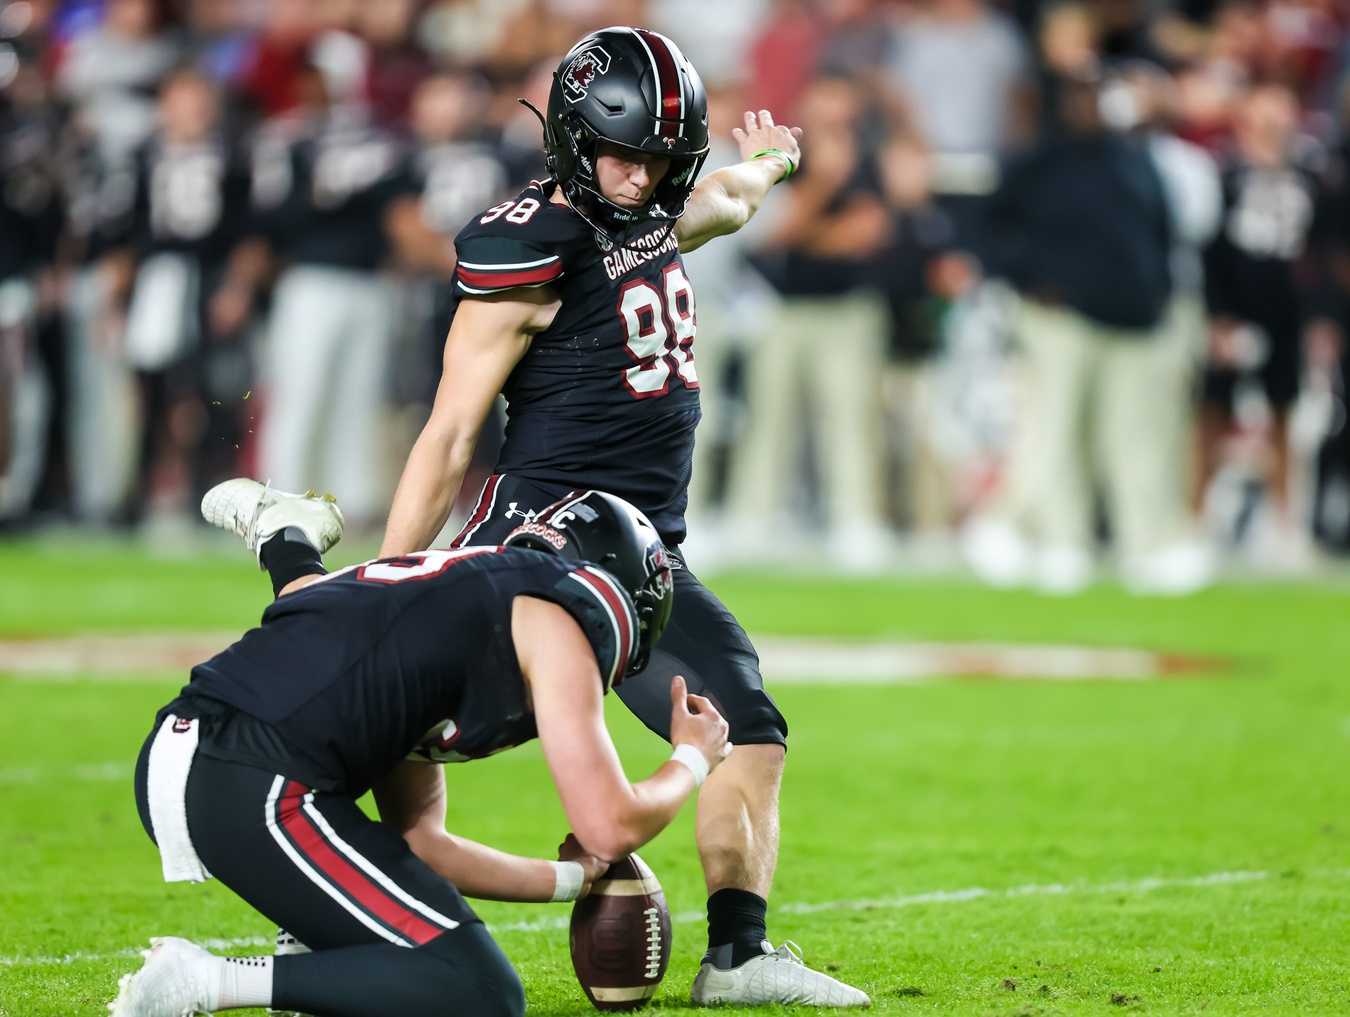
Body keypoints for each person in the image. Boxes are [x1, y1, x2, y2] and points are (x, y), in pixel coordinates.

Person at [373, 26, 868, 1006]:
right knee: (407, 723)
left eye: (658, 159)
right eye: (622, 154)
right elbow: (450, 429)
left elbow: (725, 198)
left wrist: (767, 158)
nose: (639, 178)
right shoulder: (530, 248)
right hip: (545, 547)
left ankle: (738, 958)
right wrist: (391, 575)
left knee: (742, 727)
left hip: (644, 555)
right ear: (571, 136)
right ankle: (341, 899)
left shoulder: (655, 212)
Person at [111, 486, 731, 1017]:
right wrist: (692, 758)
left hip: (214, 760)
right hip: (249, 780)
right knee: (477, 988)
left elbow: (420, 841)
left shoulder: (466, 605)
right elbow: (611, 821)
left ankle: (285, 532)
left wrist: (573, 880)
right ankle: (206, 980)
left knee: (419, 973)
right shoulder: (560, 614)